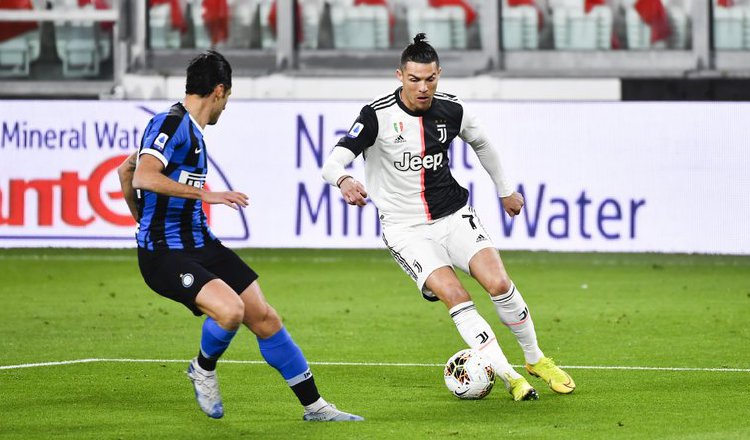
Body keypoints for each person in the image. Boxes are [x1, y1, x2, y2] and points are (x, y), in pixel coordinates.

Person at [321, 34, 575, 401]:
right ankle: (509, 377)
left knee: (499, 284)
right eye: (414, 79)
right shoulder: (375, 116)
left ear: (439, 74)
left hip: (454, 215)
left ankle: (535, 359)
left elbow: (482, 143)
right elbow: (332, 162)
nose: (423, 88)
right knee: (456, 295)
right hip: (406, 230)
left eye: (430, 79)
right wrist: (344, 179)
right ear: (399, 76)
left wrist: (504, 189)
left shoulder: (451, 109)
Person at [117, 50, 363, 422]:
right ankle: (202, 368)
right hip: (166, 254)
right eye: (227, 98)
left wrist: (141, 219)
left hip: (201, 243)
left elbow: (125, 169)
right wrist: (200, 199)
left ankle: (316, 408)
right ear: (219, 91)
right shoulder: (172, 123)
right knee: (230, 311)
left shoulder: (190, 131)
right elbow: (143, 176)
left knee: (264, 317)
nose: (225, 107)